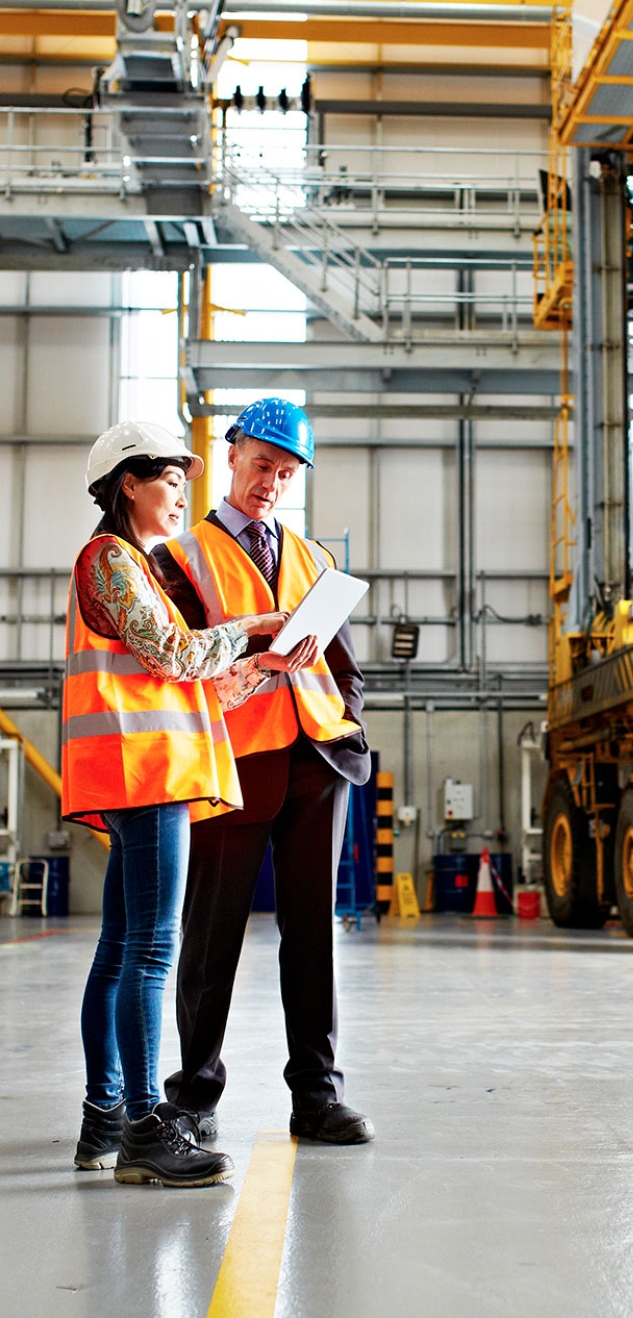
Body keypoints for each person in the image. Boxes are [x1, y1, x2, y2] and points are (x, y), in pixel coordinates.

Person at [64, 419, 317, 1188]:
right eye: (171, 481)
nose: (181, 496)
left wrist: (267, 663)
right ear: (129, 483)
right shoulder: (111, 560)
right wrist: (256, 626)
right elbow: (176, 654)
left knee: (119, 950)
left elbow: (190, 684)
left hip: (145, 772)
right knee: (148, 951)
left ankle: (105, 1118)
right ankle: (145, 1127)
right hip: (146, 775)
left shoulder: (132, 567)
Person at [154, 398, 374, 1146]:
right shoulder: (181, 558)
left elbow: (345, 665)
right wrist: (257, 661)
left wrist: (349, 721)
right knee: (211, 933)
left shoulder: (315, 559)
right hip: (233, 762)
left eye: (285, 472)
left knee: (313, 934)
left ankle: (317, 1095)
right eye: (261, 465)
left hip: (318, 759)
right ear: (232, 455)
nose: (271, 483)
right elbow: (177, 668)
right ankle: (193, 1095)